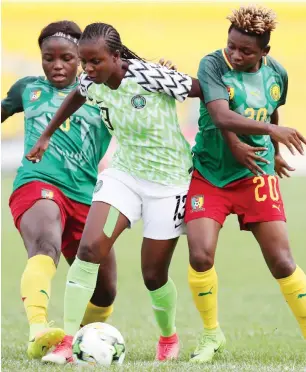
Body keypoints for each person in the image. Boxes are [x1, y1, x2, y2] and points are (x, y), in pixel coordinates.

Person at [26, 22, 304, 364]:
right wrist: (46, 134)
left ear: (116, 57)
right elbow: (77, 94)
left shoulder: (151, 77)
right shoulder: (90, 79)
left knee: (153, 274)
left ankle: (168, 338)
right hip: (124, 176)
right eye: (84, 62)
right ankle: (67, 342)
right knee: (89, 248)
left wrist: (242, 140)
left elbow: (211, 95)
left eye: (95, 61)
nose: (87, 69)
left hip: (169, 183)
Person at [184, 5, 306, 364]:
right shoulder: (212, 64)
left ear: (264, 53)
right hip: (211, 172)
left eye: (246, 51)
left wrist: (275, 149)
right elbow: (221, 114)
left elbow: (270, 110)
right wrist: (269, 132)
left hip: (257, 172)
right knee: (200, 254)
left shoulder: (277, 73)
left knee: (282, 262)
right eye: (231, 45)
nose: (235, 55)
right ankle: (211, 335)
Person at [1, 21, 117, 361]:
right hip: (37, 184)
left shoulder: (104, 93)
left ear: (81, 58)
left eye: (66, 58)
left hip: (86, 195)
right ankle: (38, 330)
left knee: (105, 290)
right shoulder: (28, 88)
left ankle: (74, 342)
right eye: (48, 58)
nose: (57, 66)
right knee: (45, 243)